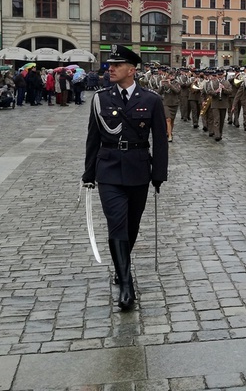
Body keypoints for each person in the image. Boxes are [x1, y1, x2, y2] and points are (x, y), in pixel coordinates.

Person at [82, 45, 168, 311]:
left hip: (138, 169)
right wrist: (88, 173)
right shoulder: (101, 99)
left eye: (117, 65)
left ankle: (122, 266)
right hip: (108, 169)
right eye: (110, 65)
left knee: (131, 226)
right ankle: (126, 283)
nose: (111, 69)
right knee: (116, 224)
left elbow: (160, 141)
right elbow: (93, 138)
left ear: (132, 70)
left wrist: (159, 174)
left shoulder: (151, 99)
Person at [205, 68, 232, 142]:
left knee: (222, 120)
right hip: (215, 103)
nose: (220, 76)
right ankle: (216, 135)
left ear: (223, 75)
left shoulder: (226, 82)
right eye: (218, 75)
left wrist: (224, 89)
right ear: (216, 75)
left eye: (221, 74)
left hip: (224, 103)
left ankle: (220, 133)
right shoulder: (212, 82)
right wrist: (216, 92)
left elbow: (230, 91)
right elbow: (208, 91)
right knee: (216, 119)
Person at [159, 68, 181, 143]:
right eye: (170, 75)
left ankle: (169, 132)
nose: (172, 76)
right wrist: (162, 85)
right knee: (168, 119)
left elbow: (177, 91)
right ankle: (170, 136)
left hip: (174, 103)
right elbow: (159, 92)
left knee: (172, 120)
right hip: (166, 103)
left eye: (173, 75)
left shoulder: (177, 83)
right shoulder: (164, 82)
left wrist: (170, 84)